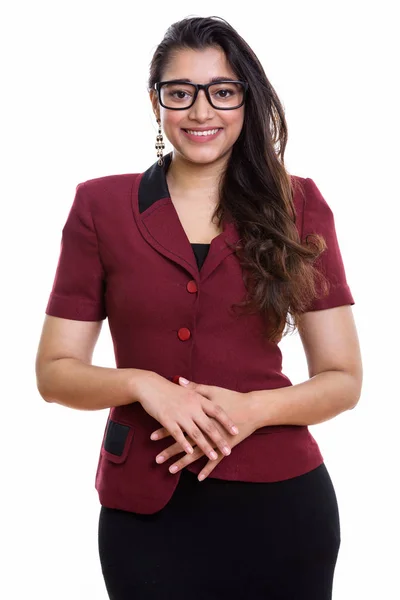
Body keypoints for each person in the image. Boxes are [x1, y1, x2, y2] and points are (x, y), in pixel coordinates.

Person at [35, 15, 363, 600]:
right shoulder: (98, 206)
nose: (201, 110)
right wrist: (141, 384)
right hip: (145, 511)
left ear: (246, 100)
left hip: (282, 505)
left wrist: (253, 410)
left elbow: (343, 380)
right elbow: (55, 373)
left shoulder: (299, 203)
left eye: (223, 91)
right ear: (156, 103)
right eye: (180, 92)